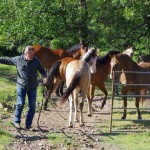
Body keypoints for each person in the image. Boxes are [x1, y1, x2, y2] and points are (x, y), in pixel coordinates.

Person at [0, 46, 47, 130]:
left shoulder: (36, 61)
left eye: (33, 54)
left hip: (32, 86)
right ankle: (17, 122)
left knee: (32, 106)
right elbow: (6, 60)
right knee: (20, 103)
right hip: (21, 85)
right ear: (26, 54)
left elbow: (42, 70)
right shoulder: (18, 59)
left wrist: (45, 77)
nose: (32, 56)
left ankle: (28, 125)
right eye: (30, 54)